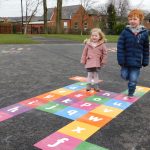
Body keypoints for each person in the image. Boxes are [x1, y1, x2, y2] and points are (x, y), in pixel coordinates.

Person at [117, 9, 149, 98]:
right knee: (124, 75)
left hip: (137, 62)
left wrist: (145, 61)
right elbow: (120, 47)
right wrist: (121, 60)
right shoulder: (125, 32)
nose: (132, 21)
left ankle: (131, 92)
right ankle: (127, 76)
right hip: (125, 61)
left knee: (133, 80)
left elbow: (146, 48)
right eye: (130, 19)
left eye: (135, 19)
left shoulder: (144, 33)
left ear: (140, 20)